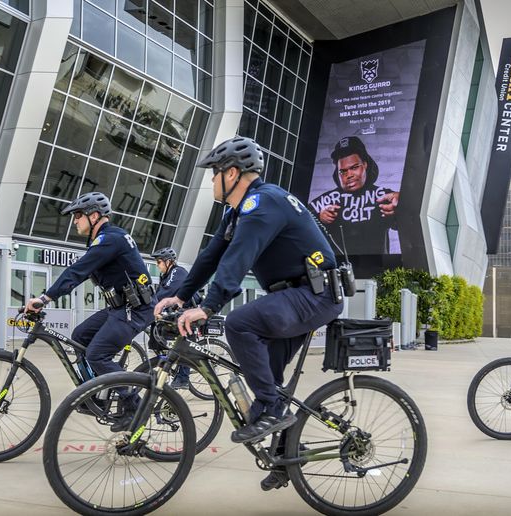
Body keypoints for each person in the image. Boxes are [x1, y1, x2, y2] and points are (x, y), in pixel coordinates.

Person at [154, 136, 343, 489]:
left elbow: (236, 260)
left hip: (314, 295)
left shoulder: (262, 203)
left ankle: (270, 410)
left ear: (232, 173)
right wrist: (181, 297)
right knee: (270, 381)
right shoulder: (239, 211)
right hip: (297, 297)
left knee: (240, 323)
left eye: (214, 174)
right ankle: (287, 459)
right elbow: (211, 257)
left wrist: (208, 307)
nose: (211, 180)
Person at [25, 191, 155, 432]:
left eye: (77, 216)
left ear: (94, 215)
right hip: (119, 307)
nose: (75, 221)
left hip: (134, 309)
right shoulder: (106, 238)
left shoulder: (110, 239)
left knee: (97, 355)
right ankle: (94, 392)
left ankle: (133, 405)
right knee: (80, 336)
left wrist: (45, 298)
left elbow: (78, 271)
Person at [308, 136, 399, 254]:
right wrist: (319, 217)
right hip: (340, 269)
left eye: (354, 167)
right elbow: (300, 220)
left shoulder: (383, 196)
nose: (349, 175)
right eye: (343, 171)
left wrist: (401, 201)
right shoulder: (328, 200)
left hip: (378, 267)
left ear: (365, 165)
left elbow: (409, 220)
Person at [151, 246, 201, 389]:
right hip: (179, 313)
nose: (157, 265)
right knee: (158, 335)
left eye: (159, 262)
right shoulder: (165, 275)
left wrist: (152, 305)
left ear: (169, 262)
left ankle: (183, 379)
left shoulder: (177, 272)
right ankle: (166, 363)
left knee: (184, 344)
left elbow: (165, 293)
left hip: (190, 312)